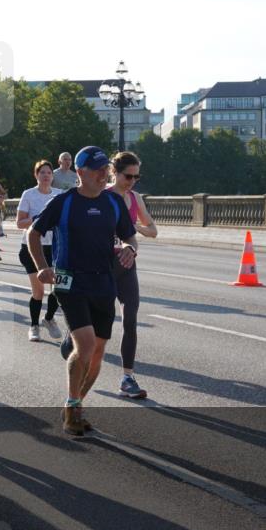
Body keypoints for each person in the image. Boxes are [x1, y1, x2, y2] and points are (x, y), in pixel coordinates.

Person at [28, 146, 137, 436]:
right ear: (80, 172)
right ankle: (73, 405)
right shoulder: (64, 203)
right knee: (86, 346)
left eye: (106, 169)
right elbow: (33, 233)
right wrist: (42, 266)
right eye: (98, 169)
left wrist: (129, 249)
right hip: (70, 281)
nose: (105, 174)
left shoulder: (113, 203)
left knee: (98, 352)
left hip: (104, 281)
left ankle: (75, 405)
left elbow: (130, 237)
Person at [106, 151, 159, 399]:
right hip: (102, 266)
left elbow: (153, 231)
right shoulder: (102, 196)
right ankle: (72, 337)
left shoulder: (135, 198)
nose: (133, 181)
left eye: (137, 177)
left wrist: (132, 226)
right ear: (114, 172)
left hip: (127, 264)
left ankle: (127, 377)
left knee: (130, 319)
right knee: (98, 323)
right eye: (128, 176)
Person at [16, 160, 61, 342]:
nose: (45, 176)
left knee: (58, 289)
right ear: (36, 175)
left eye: (48, 172)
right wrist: (37, 219)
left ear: (52, 176)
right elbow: (19, 223)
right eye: (42, 172)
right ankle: (34, 325)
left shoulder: (60, 195)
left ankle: (48, 319)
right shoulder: (28, 194)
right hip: (32, 248)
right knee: (38, 291)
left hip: (55, 248)